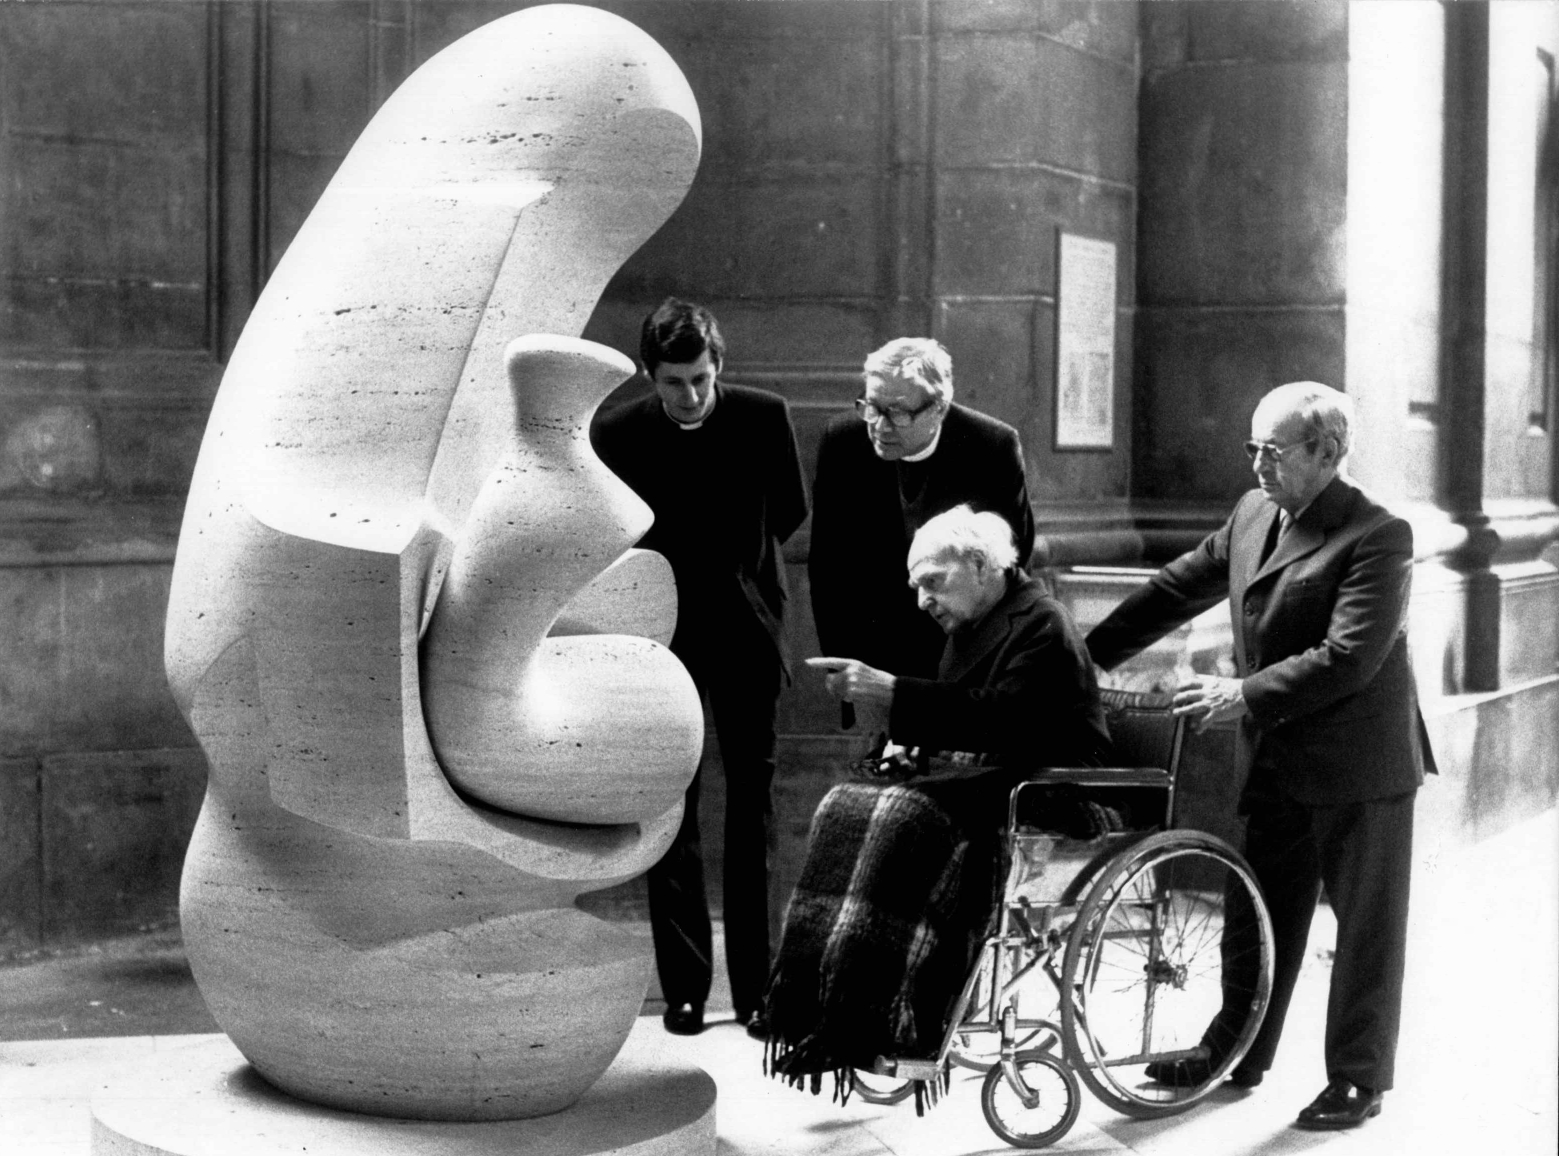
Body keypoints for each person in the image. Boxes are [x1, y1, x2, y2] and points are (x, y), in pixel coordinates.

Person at [1085, 381, 1436, 1131]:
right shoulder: (1254, 513)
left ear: (1328, 452)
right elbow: (1180, 585)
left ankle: (1357, 1078)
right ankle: (1235, 1048)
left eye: (1272, 451)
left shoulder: (1377, 534)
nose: (1256, 465)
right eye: (1251, 447)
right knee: (1258, 910)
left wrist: (1241, 695)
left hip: (1358, 764)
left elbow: (1347, 656)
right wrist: (1084, 657)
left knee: (1365, 927)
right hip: (1277, 750)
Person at [763, 505, 1110, 1095]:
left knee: (904, 817)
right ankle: (816, 1003)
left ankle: (869, 1015)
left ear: (979, 565)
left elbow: (1001, 720)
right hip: (994, 773)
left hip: (1052, 784)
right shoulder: (979, 621)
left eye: (933, 582)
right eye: (917, 586)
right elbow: (962, 713)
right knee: (843, 803)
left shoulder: (1041, 621)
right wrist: (904, 742)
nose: (923, 600)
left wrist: (894, 692)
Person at [591, 298, 808, 1038]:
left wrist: (738, 579)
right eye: (674, 382)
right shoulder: (616, 432)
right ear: (651, 376)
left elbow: (788, 512)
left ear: (719, 367)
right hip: (660, 637)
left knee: (752, 806)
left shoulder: (762, 416)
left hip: (747, 629)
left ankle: (758, 992)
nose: (689, 395)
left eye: (701, 378)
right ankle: (684, 990)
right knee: (669, 807)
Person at [809, 338, 1036, 692]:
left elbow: (1009, 567)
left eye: (897, 412)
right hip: (873, 651)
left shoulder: (992, 447)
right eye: (871, 406)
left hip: (963, 654)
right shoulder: (843, 440)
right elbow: (827, 566)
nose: (879, 427)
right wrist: (846, 670)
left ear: (939, 409)